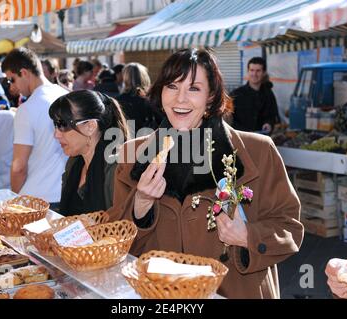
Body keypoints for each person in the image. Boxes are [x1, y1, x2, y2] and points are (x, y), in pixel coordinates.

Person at [107, 48, 303, 299]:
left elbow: (290, 229)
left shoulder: (258, 151)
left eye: (194, 88)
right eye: (172, 86)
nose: (180, 99)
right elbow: (115, 243)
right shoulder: (132, 156)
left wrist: (248, 237)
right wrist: (141, 204)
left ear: (211, 97)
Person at [2, 48, 68, 209]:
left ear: (24, 73)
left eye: (12, 80)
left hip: (35, 198)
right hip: (66, 193)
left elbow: (19, 166)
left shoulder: (27, 109)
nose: (12, 86)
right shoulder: (66, 95)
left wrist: (14, 200)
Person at [49, 90, 129, 216]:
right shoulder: (74, 163)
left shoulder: (117, 168)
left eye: (63, 124)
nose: (56, 134)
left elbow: (125, 227)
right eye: (55, 124)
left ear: (91, 126)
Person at [228, 57, 280, 134]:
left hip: (262, 139)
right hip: (240, 139)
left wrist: (268, 124)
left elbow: (272, 115)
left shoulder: (269, 94)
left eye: (258, 71)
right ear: (248, 72)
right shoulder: (235, 94)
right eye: (252, 70)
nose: (254, 74)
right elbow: (227, 120)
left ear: (264, 72)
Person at [116, 62, 162, 135]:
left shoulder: (117, 101)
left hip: (126, 142)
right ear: (144, 77)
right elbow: (163, 122)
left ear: (125, 78)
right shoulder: (152, 99)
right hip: (149, 142)